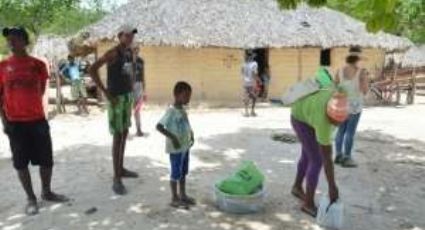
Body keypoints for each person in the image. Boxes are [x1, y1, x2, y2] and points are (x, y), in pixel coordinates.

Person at [0, 27, 68, 215]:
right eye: (9, 40)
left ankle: (46, 191)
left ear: (24, 41)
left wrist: (35, 109)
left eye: (15, 39)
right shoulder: (3, 66)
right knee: (21, 163)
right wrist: (4, 121)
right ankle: (31, 198)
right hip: (15, 123)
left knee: (46, 160)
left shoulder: (38, 64)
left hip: (37, 120)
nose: (11, 43)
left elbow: (42, 91)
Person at [89, 25, 139, 195]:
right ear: (119, 36)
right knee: (118, 137)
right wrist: (105, 93)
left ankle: (121, 169)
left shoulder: (129, 53)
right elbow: (92, 69)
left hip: (126, 98)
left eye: (132, 35)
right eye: (127, 35)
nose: (130, 38)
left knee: (124, 133)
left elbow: (129, 73)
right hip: (116, 100)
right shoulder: (113, 53)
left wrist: (132, 91)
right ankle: (116, 179)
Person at [290, 85, 349, 217]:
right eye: (334, 122)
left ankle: (297, 187)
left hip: (307, 111)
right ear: (329, 115)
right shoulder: (323, 121)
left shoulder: (339, 98)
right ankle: (308, 203)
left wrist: (332, 186)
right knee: (316, 159)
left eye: (340, 123)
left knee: (308, 153)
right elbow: (327, 159)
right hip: (299, 118)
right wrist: (332, 186)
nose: (337, 126)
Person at [156, 81, 195, 208]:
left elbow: (186, 123)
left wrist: (191, 134)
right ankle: (174, 197)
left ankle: (183, 194)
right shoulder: (171, 111)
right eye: (186, 95)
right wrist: (173, 137)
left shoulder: (182, 109)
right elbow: (159, 126)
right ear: (176, 95)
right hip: (176, 149)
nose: (188, 98)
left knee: (183, 172)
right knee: (175, 173)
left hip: (185, 147)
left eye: (189, 96)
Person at [334, 47, 369, 168]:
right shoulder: (361, 72)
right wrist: (366, 81)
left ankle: (338, 155)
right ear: (358, 58)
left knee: (340, 131)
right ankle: (347, 157)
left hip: (341, 105)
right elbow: (364, 90)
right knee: (350, 132)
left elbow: (335, 88)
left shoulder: (339, 71)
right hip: (355, 106)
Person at [241, 51, 261, 117]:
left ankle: (246, 112)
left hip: (245, 82)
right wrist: (258, 80)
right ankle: (252, 111)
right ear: (252, 57)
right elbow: (254, 73)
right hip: (252, 82)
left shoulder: (243, 64)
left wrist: (244, 78)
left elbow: (242, 72)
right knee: (254, 97)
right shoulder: (254, 64)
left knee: (246, 97)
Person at [132, 46, 145, 137]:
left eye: (137, 49)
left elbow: (143, 74)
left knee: (137, 109)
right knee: (127, 109)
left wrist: (144, 86)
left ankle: (138, 128)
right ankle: (124, 129)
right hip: (128, 86)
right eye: (134, 50)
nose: (136, 51)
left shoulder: (141, 61)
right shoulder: (127, 61)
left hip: (139, 85)